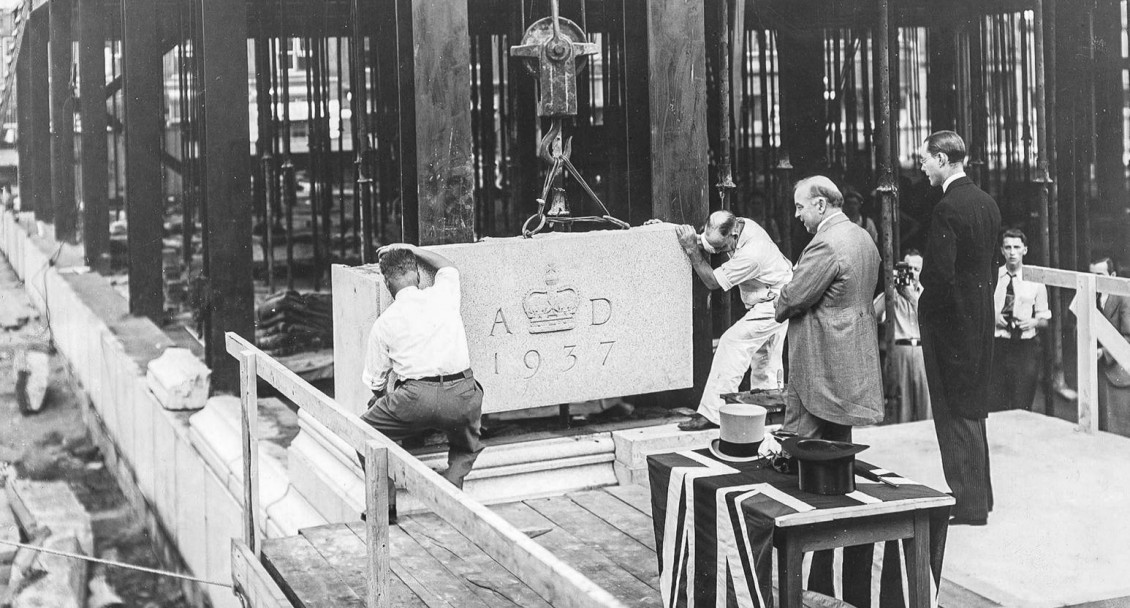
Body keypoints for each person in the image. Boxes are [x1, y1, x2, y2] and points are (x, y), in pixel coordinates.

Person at [774, 175, 883, 608]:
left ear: (820, 204)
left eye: (801, 206)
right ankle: (837, 584)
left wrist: (781, 296)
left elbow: (793, 298)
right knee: (840, 467)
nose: (797, 214)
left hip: (818, 358)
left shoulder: (824, 245)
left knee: (801, 464)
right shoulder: (862, 238)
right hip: (852, 355)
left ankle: (799, 590)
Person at [360, 244, 484, 521]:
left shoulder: (384, 323)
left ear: (387, 281)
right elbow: (447, 266)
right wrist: (413, 249)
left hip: (415, 399)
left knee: (362, 432)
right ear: (416, 274)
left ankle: (384, 506)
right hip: (462, 393)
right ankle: (451, 491)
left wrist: (383, 399)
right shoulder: (444, 294)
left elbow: (377, 383)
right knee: (467, 446)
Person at [917, 130, 1001, 527]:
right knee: (973, 402)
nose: (922, 167)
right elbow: (995, 266)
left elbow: (938, 276)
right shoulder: (986, 202)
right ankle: (979, 497)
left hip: (951, 325)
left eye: (925, 160)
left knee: (954, 408)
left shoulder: (946, 208)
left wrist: (930, 313)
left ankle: (967, 504)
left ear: (943, 160)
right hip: (980, 317)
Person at [674, 210, 793, 431]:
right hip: (777, 293)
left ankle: (712, 414)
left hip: (776, 302)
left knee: (732, 342)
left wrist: (691, 248)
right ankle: (770, 415)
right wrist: (672, 232)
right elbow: (710, 243)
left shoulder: (753, 253)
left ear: (734, 234)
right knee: (766, 358)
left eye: (721, 247)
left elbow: (711, 281)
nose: (717, 252)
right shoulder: (738, 225)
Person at [989, 229, 1051, 412]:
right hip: (997, 346)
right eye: (1007, 247)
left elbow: (1045, 319)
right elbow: (978, 311)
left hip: (1024, 347)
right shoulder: (992, 277)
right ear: (1001, 250)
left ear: (1025, 250)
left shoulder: (1036, 282)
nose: (1012, 252)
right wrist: (993, 317)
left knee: (1022, 403)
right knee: (995, 403)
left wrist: (1032, 322)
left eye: (1017, 247)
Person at [874, 249, 932, 421]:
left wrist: (911, 297)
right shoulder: (892, 295)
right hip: (900, 350)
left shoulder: (927, 294)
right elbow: (874, 315)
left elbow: (932, 320)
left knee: (926, 406)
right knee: (902, 408)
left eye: (916, 269)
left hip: (923, 351)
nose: (912, 273)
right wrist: (890, 288)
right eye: (908, 269)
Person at [1091, 256, 1130, 435]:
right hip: (1095, 372)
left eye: (1100, 275)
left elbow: (1128, 336)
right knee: (1099, 426)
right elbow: (1077, 326)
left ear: (1112, 275)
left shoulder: (1125, 298)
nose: (1095, 280)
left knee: (1119, 428)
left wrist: (1103, 352)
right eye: (1092, 275)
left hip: (1118, 371)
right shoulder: (1088, 296)